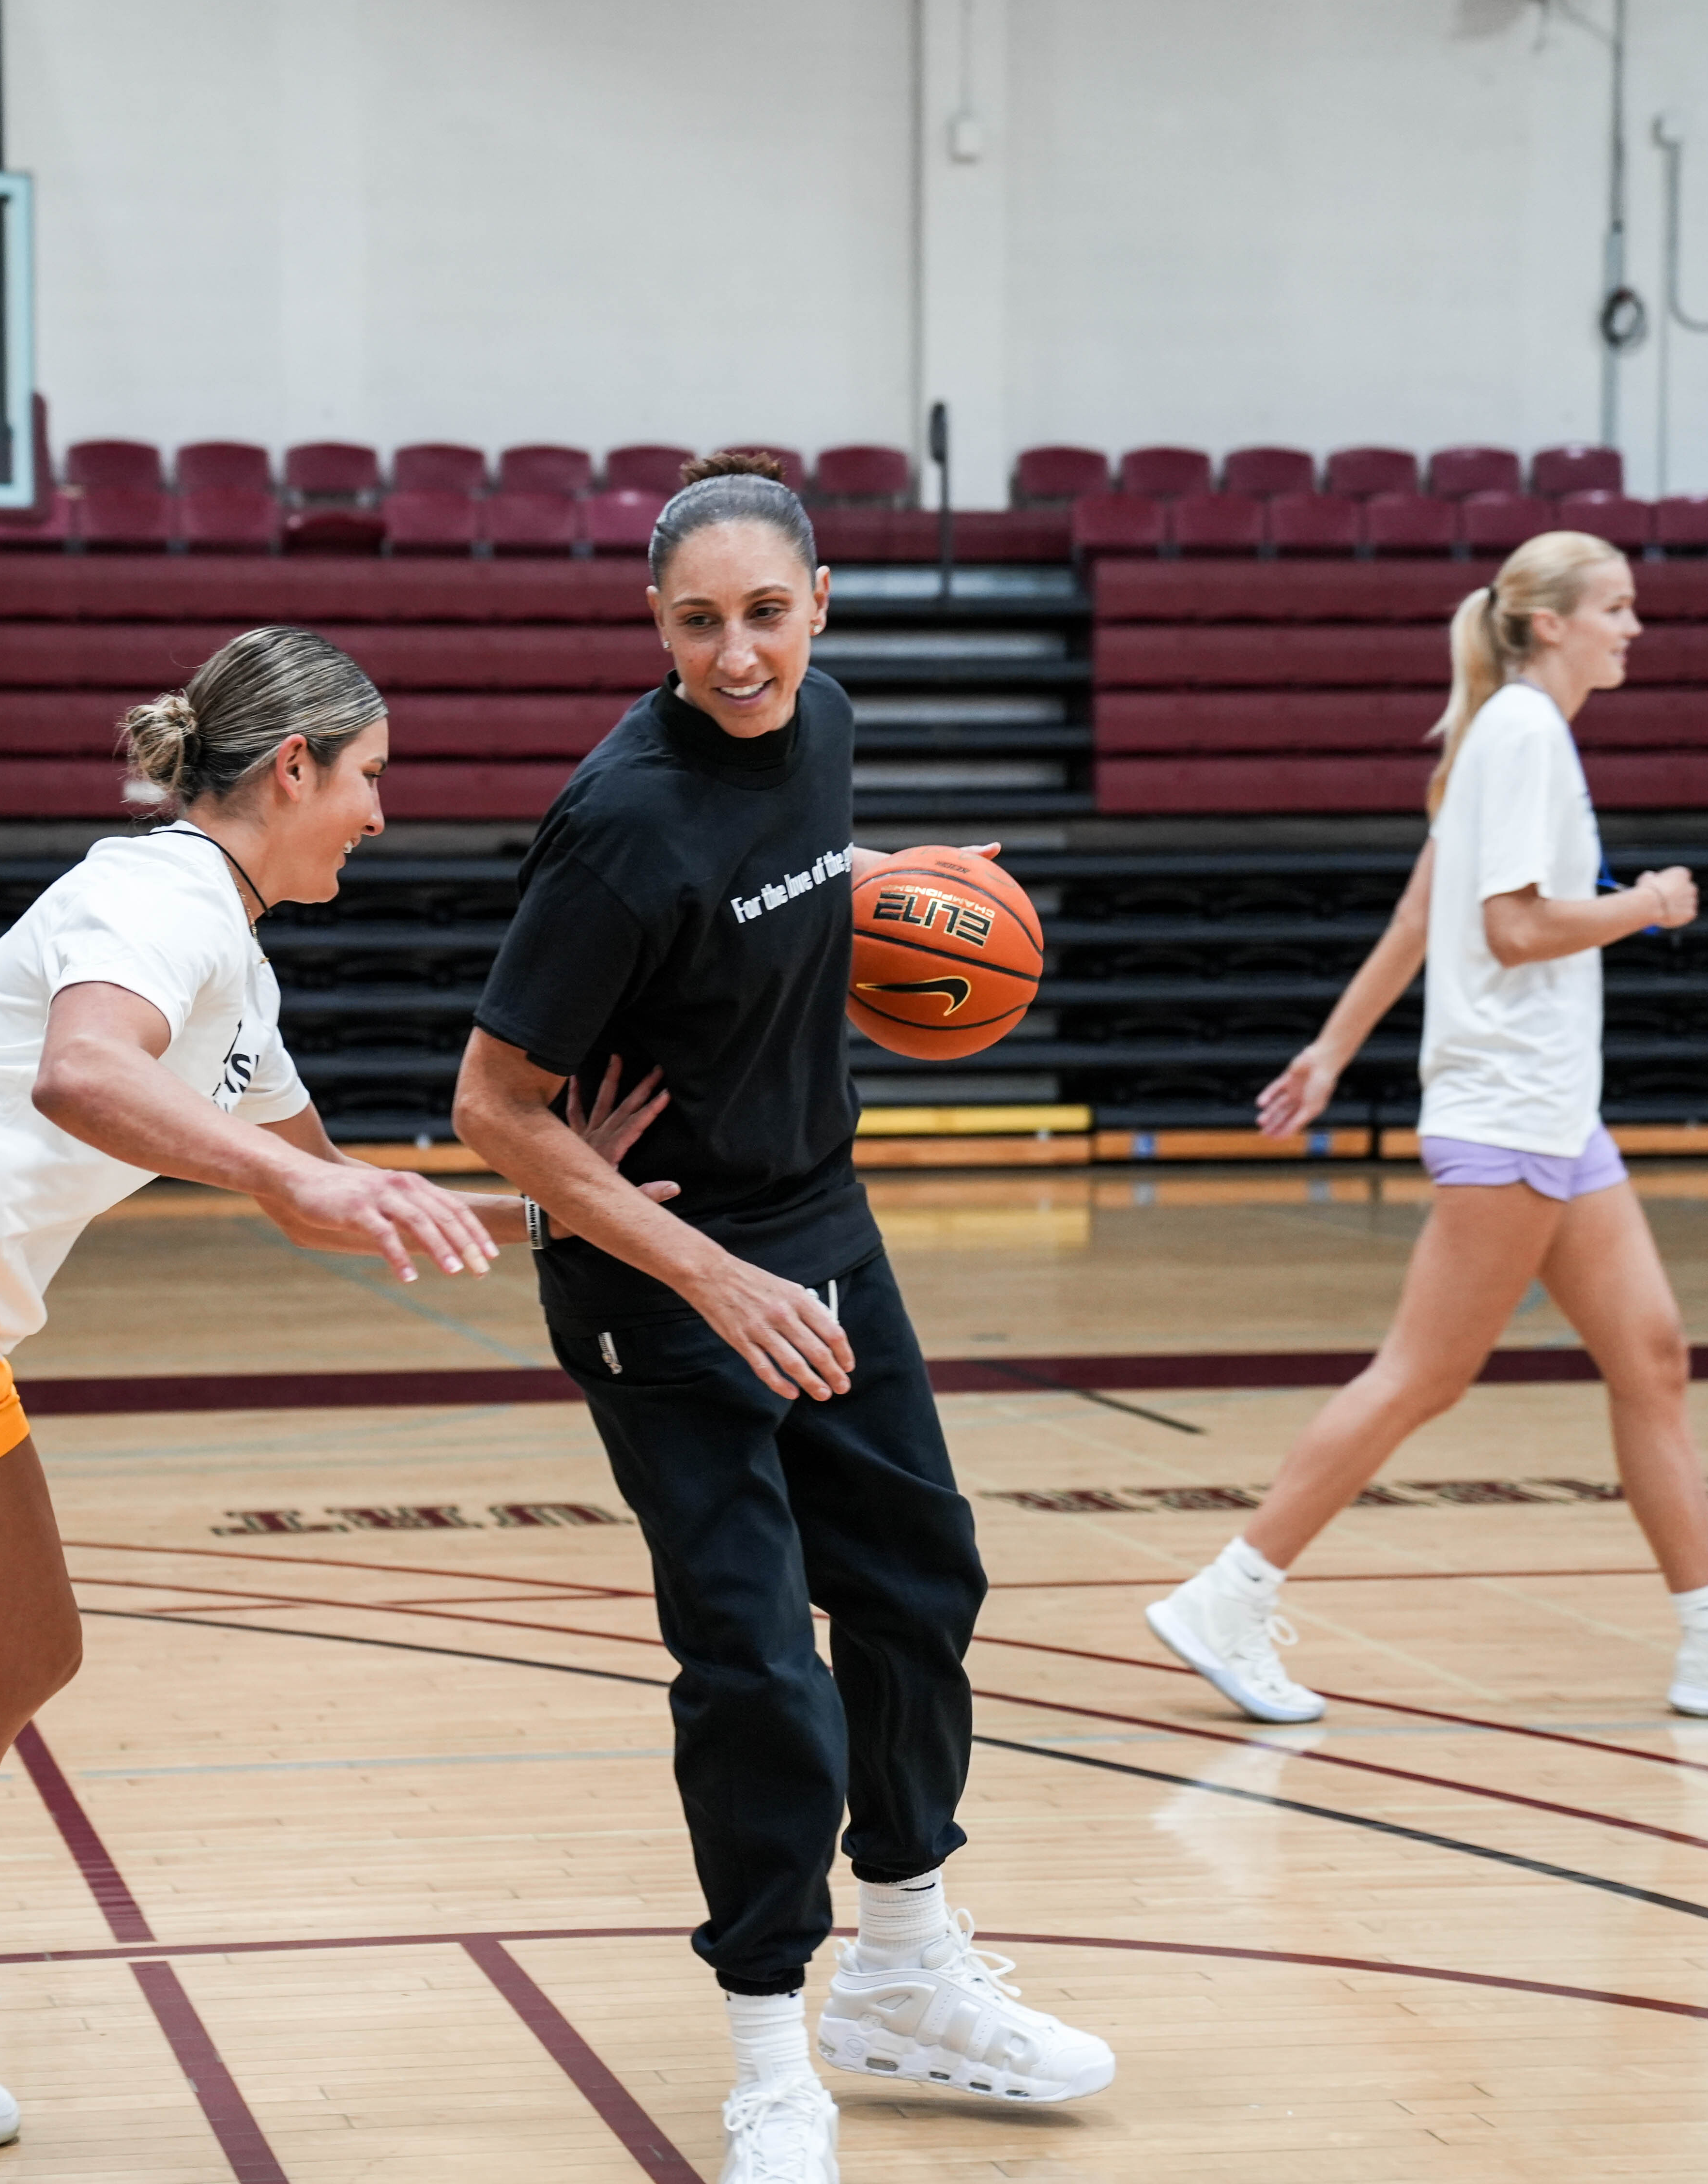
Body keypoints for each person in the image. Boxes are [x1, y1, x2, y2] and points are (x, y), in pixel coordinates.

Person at [0, 626, 673, 2183]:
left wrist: (560, 1199)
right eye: (369, 779)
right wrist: (292, 1175)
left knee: (29, 1654)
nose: (379, 813)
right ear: (294, 768)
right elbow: (84, 1074)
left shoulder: (233, 962)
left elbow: (321, 1191)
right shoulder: (155, 894)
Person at [454, 457, 1113, 2184]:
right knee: (754, 1662)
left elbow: (793, 866)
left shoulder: (821, 722)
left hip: (824, 1224)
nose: (737, 654)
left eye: (764, 613)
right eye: (698, 623)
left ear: (820, 603)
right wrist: (708, 1274)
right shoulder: (621, 824)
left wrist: (908, 885)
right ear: (653, 623)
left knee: (919, 1586)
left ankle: (904, 1964)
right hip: (665, 1275)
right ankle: (769, 2056)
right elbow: (490, 1105)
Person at [1144, 530, 1708, 1726]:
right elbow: (1514, 929)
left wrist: (1331, 1049)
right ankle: (1227, 1594)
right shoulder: (1527, 732)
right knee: (1422, 1374)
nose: (1632, 627)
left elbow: (1419, 913)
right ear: (1551, 622)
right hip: (1510, 1107)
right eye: (1615, 607)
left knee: (1652, 1355)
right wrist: (1646, 906)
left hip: (1554, 1112)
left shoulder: (1504, 731)